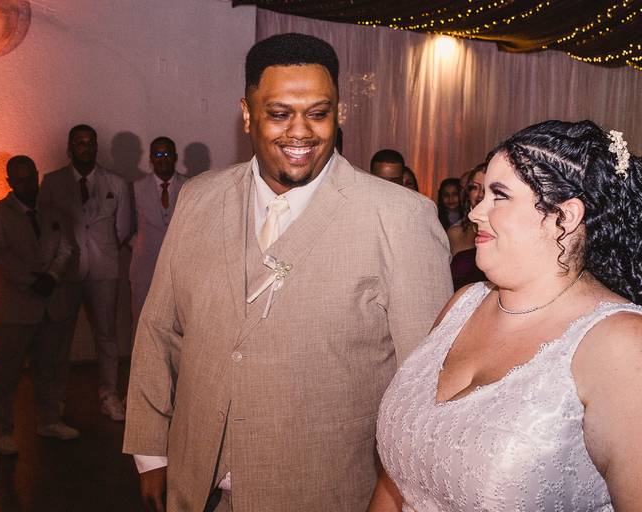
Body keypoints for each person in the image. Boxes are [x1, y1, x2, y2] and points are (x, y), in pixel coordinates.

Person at [123, 32, 452, 512]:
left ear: (337, 113)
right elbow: (158, 329)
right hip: (195, 485)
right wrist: (151, 453)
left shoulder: (401, 217)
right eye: (279, 114)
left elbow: (424, 385)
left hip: (325, 490)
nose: (301, 132)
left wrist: (400, 496)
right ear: (247, 114)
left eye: (318, 114)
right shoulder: (198, 198)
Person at [372, 120, 642, 510]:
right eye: (480, 194)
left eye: (499, 196)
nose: (476, 212)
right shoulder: (462, 306)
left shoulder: (621, 345)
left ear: (564, 217)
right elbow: (396, 480)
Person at [0, 155, 82, 454]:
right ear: (9, 182)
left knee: (48, 368)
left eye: (30, 177)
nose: (26, 184)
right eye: (19, 180)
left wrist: (52, 276)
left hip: (50, 303)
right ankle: (2, 432)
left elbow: (67, 247)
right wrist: (31, 281)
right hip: (13, 307)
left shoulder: (53, 211)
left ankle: (49, 420)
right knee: (6, 374)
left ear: (37, 175)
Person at [39, 124, 133, 422]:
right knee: (60, 338)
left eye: (90, 142)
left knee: (107, 336)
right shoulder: (53, 182)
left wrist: (103, 250)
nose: (86, 147)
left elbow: (123, 228)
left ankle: (109, 395)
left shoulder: (115, 182)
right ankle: (55, 400)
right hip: (65, 271)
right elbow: (46, 227)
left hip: (104, 269)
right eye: (80, 142)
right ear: (70, 147)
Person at [128, 137, 187, 334]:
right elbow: (126, 228)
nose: (163, 158)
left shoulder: (190, 186)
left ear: (175, 157)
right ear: (151, 158)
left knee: (178, 329)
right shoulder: (136, 187)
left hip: (179, 272)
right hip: (144, 270)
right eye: (158, 154)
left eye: (167, 154)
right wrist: (142, 247)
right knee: (142, 327)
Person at [447, 163, 486, 290]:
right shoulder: (455, 233)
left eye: (486, 188)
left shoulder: (504, 233)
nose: (480, 194)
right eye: (475, 187)